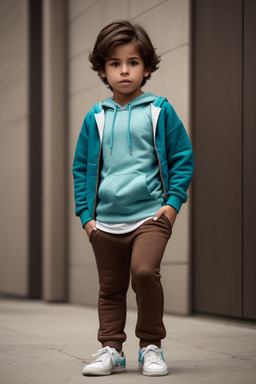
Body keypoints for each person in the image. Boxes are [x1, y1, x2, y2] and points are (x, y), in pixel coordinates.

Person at [73, 20, 194, 377]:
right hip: (105, 220)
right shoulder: (95, 118)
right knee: (110, 288)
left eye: (133, 62)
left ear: (147, 67)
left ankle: (150, 346)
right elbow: (81, 169)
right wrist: (86, 218)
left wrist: (171, 206)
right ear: (102, 69)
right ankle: (111, 349)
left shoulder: (160, 111)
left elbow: (183, 159)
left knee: (144, 272)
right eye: (114, 63)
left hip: (150, 217)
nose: (124, 71)